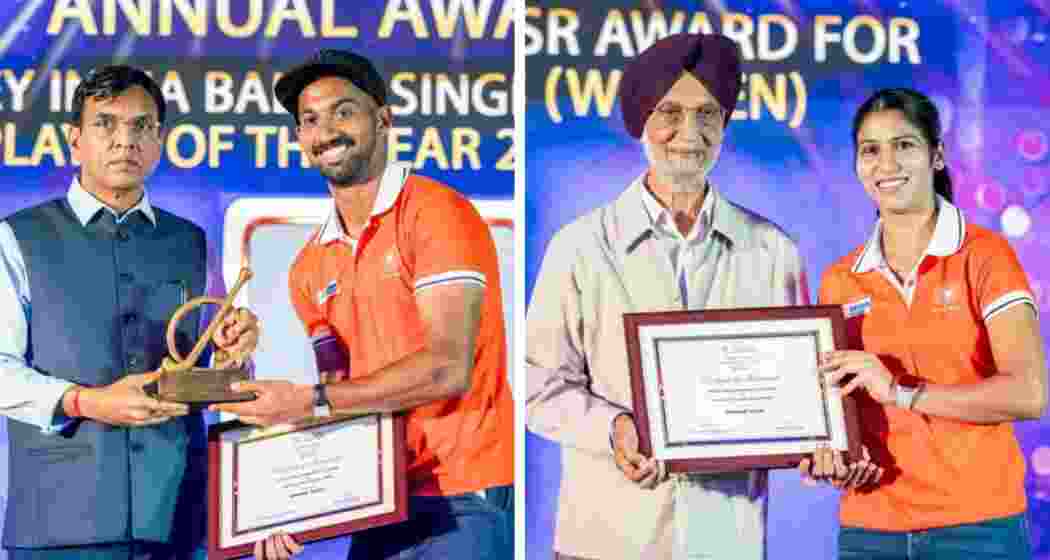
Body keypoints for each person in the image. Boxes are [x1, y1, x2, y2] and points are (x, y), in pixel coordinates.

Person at [212, 49, 514, 560]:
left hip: (462, 498)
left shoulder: (437, 214)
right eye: (310, 120)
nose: (326, 129)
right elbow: (340, 392)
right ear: (301, 140)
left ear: (383, 119)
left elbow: (447, 368)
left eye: (343, 111)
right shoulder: (308, 268)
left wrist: (307, 401)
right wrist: (280, 511)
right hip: (376, 501)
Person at [525, 32, 809, 559]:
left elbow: (798, 394)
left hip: (725, 543)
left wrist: (819, 438)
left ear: (724, 125)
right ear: (640, 123)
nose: (689, 132)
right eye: (669, 111)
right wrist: (615, 427)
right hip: (606, 542)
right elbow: (537, 386)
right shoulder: (581, 247)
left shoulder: (773, 252)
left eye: (708, 113)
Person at [0, 65, 258, 559]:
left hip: (177, 522)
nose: (125, 140)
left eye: (141, 126)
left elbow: (199, 373)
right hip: (60, 528)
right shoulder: (17, 237)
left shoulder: (190, 240)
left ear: (158, 142)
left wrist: (233, 360)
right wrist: (86, 402)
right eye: (106, 124)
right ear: (75, 141)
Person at [812, 87, 1046, 559]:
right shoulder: (840, 280)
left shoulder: (985, 257)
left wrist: (901, 391)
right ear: (858, 166)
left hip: (979, 530)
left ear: (936, 156)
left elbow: (1029, 394)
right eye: (870, 150)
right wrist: (832, 457)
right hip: (870, 531)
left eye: (905, 145)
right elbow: (839, 413)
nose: (887, 163)